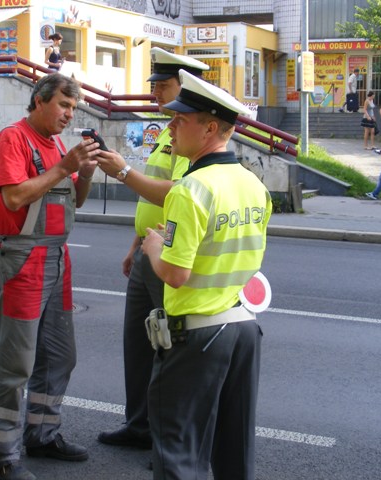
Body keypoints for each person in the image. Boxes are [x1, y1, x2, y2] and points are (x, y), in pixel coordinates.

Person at [140, 69, 272, 480]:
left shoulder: (190, 188)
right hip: (243, 329)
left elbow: (175, 275)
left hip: (196, 336)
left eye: (182, 119)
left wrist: (154, 248)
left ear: (210, 128)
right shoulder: (253, 185)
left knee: (179, 450)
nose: (171, 125)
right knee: (234, 449)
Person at [0, 73, 101, 480]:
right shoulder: (12, 139)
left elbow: (76, 200)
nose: (69, 114)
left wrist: (82, 171)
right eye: (64, 105)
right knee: (14, 364)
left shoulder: (55, 146)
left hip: (56, 258)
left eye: (73, 108)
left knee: (58, 356)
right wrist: (63, 167)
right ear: (39, 100)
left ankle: (42, 434)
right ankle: (1, 459)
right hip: (21, 259)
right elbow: (14, 196)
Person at [94, 48, 209, 452]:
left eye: (164, 86)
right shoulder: (166, 132)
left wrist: (124, 172)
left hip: (168, 256)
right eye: (155, 86)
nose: (156, 93)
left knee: (168, 348)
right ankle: (139, 424)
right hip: (148, 249)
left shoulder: (189, 137)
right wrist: (134, 245)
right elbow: (152, 202)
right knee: (138, 344)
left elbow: (176, 194)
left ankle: (167, 440)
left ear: (187, 87)